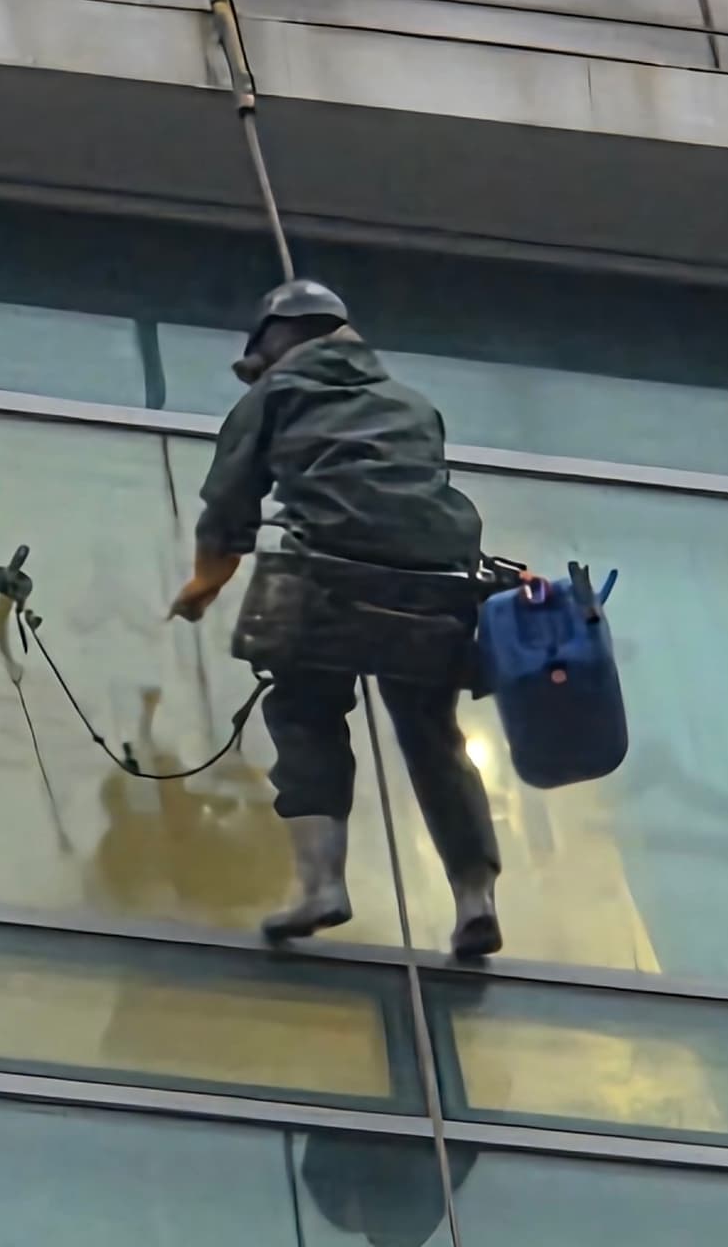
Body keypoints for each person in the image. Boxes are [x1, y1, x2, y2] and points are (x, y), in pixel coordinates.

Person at [171, 278, 505, 959]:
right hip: (433, 590)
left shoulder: (272, 396)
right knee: (433, 734)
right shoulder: (412, 404)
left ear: (275, 345)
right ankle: (476, 899)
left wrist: (206, 585)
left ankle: (322, 884)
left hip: (330, 579)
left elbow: (229, 508)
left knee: (306, 713)